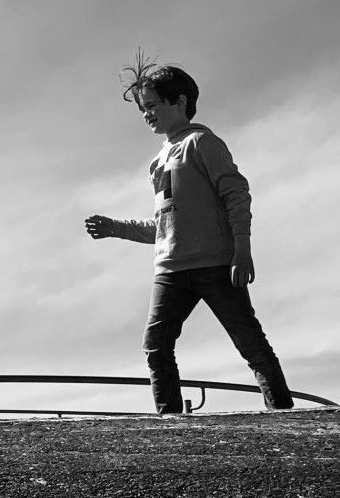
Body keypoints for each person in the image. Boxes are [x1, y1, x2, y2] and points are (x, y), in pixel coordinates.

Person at [84, 55, 295, 414]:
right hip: (170, 270)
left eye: (152, 105)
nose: (147, 114)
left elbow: (236, 196)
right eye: (142, 109)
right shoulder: (158, 160)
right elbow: (164, 225)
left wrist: (242, 250)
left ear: (179, 101)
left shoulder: (202, 143)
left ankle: (283, 413)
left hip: (216, 264)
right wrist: (114, 228)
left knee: (249, 342)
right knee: (156, 343)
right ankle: (169, 418)